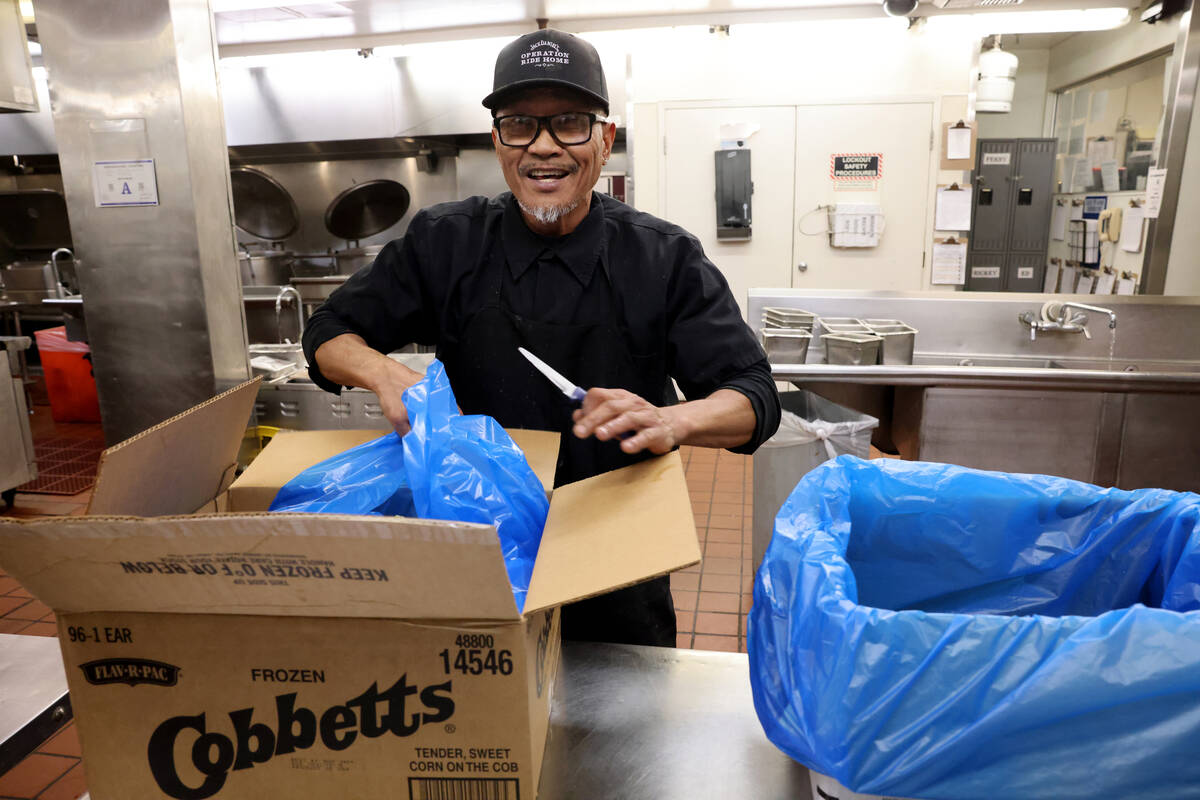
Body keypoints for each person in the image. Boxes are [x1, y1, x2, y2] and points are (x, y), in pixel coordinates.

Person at [302, 28, 781, 648]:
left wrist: (673, 421)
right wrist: (383, 372)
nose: (545, 148)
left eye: (571, 123)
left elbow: (754, 396)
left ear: (605, 141)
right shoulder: (446, 242)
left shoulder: (663, 258)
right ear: (497, 142)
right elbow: (327, 332)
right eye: (521, 125)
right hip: (477, 552)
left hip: (618, 562)